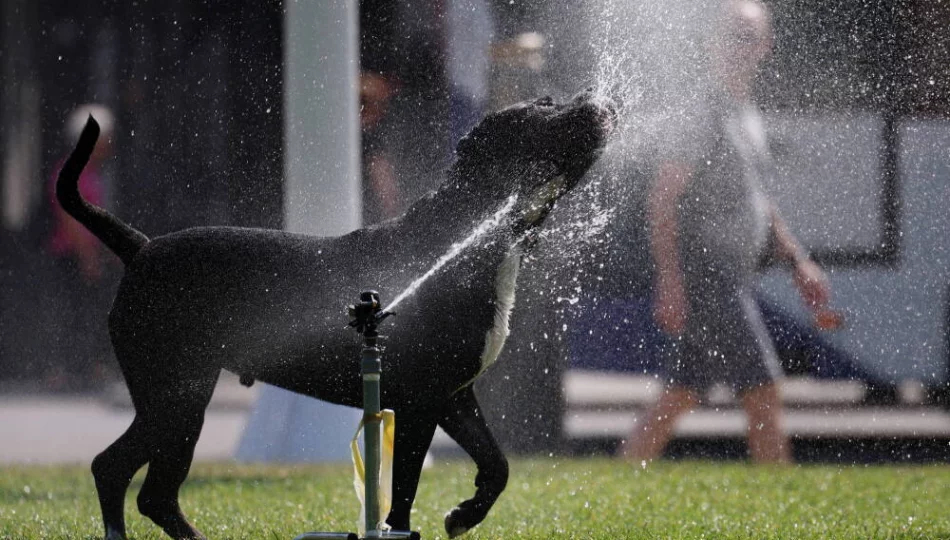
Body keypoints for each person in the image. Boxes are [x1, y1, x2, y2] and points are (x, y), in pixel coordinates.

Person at [619, 0, 832, 464]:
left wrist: (799, 262)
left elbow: (759, 201)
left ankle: (620, 479)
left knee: (679, 394)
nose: (739, 45)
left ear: (766, 46)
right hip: (706, 274)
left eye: (749, 36)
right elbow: (663, 198)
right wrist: (670, 281)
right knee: (764, 391)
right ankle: (782, 517)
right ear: (709, 42)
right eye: (731, 33)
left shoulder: (745, 112)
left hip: (731, 276)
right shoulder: (700, 110)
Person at [45, 104, 117, 391]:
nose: (109, 146)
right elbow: (71, 219)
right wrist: (86, 256)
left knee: (90, 313)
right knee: (74, 313)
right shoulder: (70, 171)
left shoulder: (92, 172)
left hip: (88, 255)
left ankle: (87, 367)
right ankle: (67, 371)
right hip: (71, 256)